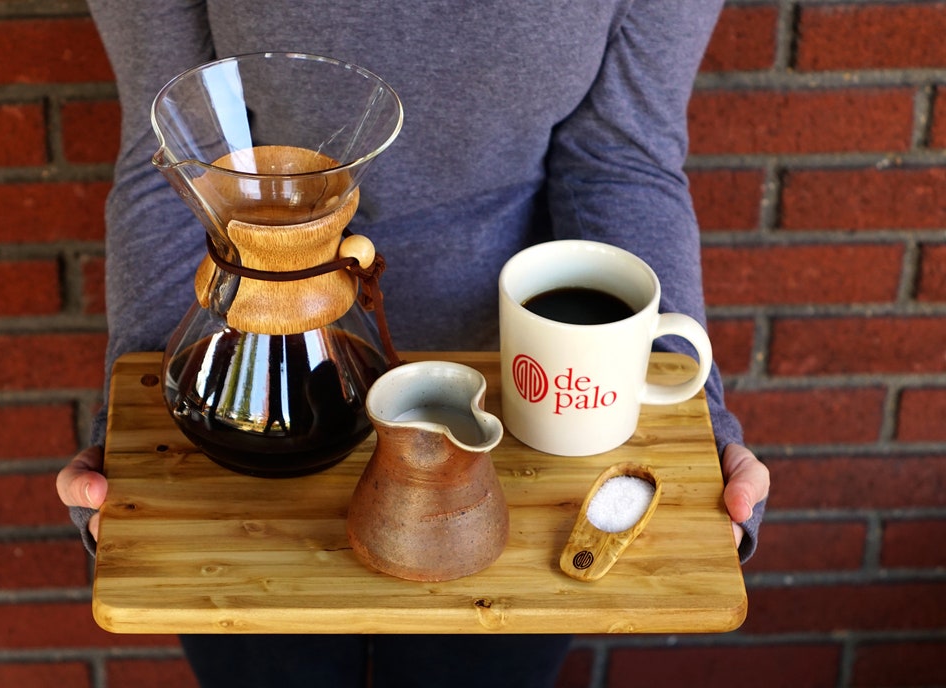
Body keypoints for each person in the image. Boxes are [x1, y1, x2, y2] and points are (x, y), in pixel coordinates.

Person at [57, 1, 770, 686]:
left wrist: (697, 413)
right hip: (258, 395)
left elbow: (621, 163)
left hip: (514, 428)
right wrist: (135, 420)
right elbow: (179, 159)